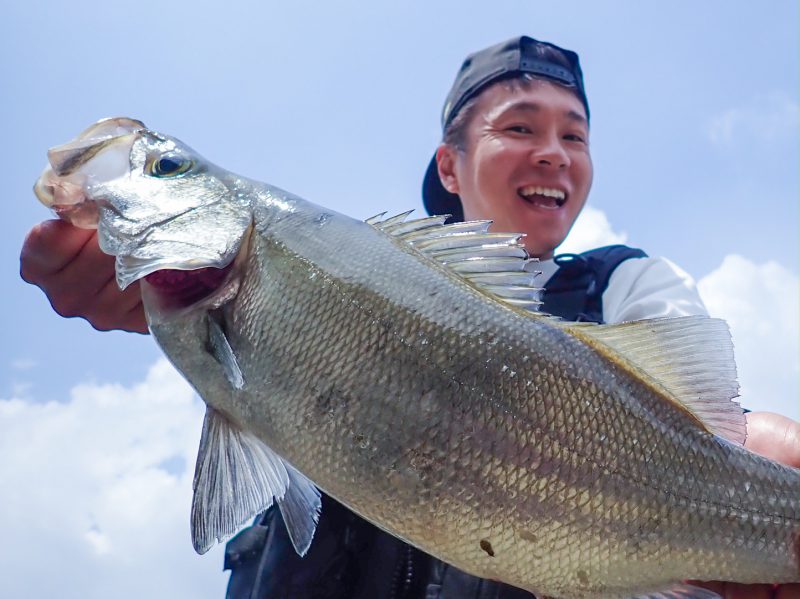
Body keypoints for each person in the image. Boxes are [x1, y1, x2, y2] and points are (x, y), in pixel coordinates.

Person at [20, 36, 800, 599]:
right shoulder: (328, 263)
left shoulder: (631, 284)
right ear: (449, 165)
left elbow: (721, 430)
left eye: (576, 134)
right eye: (521, 127)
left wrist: (764, 467)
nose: (555, 152)